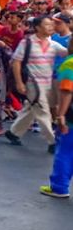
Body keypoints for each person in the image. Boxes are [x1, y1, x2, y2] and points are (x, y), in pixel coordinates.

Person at [6, 16, 67, 153]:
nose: (51, 27)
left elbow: (67, 52)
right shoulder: (27, 43)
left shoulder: (53, 44)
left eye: (51, 24)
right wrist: (19, 83)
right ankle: (53, 142)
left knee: (30, 109)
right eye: (47, 25)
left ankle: (13, 132)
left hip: (48, 84)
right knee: (43, 112)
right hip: (33, 84)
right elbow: (16, 62)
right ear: (38, 27)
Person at [40, 40, 73, 198]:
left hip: (71, 117)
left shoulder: (69, 64)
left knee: (65, 152)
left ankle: (59, 187)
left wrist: (60, 115)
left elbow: (67, 91)